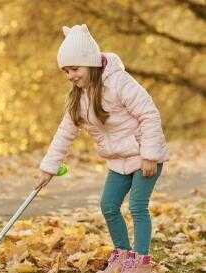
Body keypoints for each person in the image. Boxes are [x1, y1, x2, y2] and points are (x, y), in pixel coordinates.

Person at [37, 24, 169, 273]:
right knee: (108, 205)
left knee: (137, 206)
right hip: (118, 160)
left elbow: (149, 115)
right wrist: (49, 167)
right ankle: (122, 254)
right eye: (66, 71)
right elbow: (65, 133)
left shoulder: (119, 82)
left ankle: (141, 262)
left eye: (74, 69)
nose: (70, 76)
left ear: (90, 63)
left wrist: (150, 155)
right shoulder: (79, 96)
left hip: (143, 155)